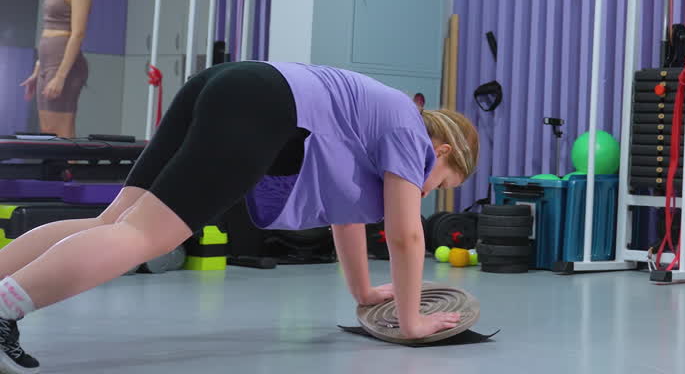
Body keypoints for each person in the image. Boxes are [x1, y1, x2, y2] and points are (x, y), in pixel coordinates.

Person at [0, 61, 480, 372]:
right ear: (441, 151)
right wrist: (412, 322)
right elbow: (406, 237)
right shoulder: (408, 132)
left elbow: (346, 217)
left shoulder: (376, 122)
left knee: (112, 223)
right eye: (439, 184)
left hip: (228, 83)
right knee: (148, 236)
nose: (425, 191)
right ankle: (5, 306)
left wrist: (364, 293)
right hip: (259, 103)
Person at [20, 0, 93, 139]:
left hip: (64, 67)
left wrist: (60, 76)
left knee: (61, 133)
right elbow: (48, 29)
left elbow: (77, 34)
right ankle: (55, 173)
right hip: (48, 64)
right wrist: (37, 69)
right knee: (48, 132)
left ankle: (71, 172)